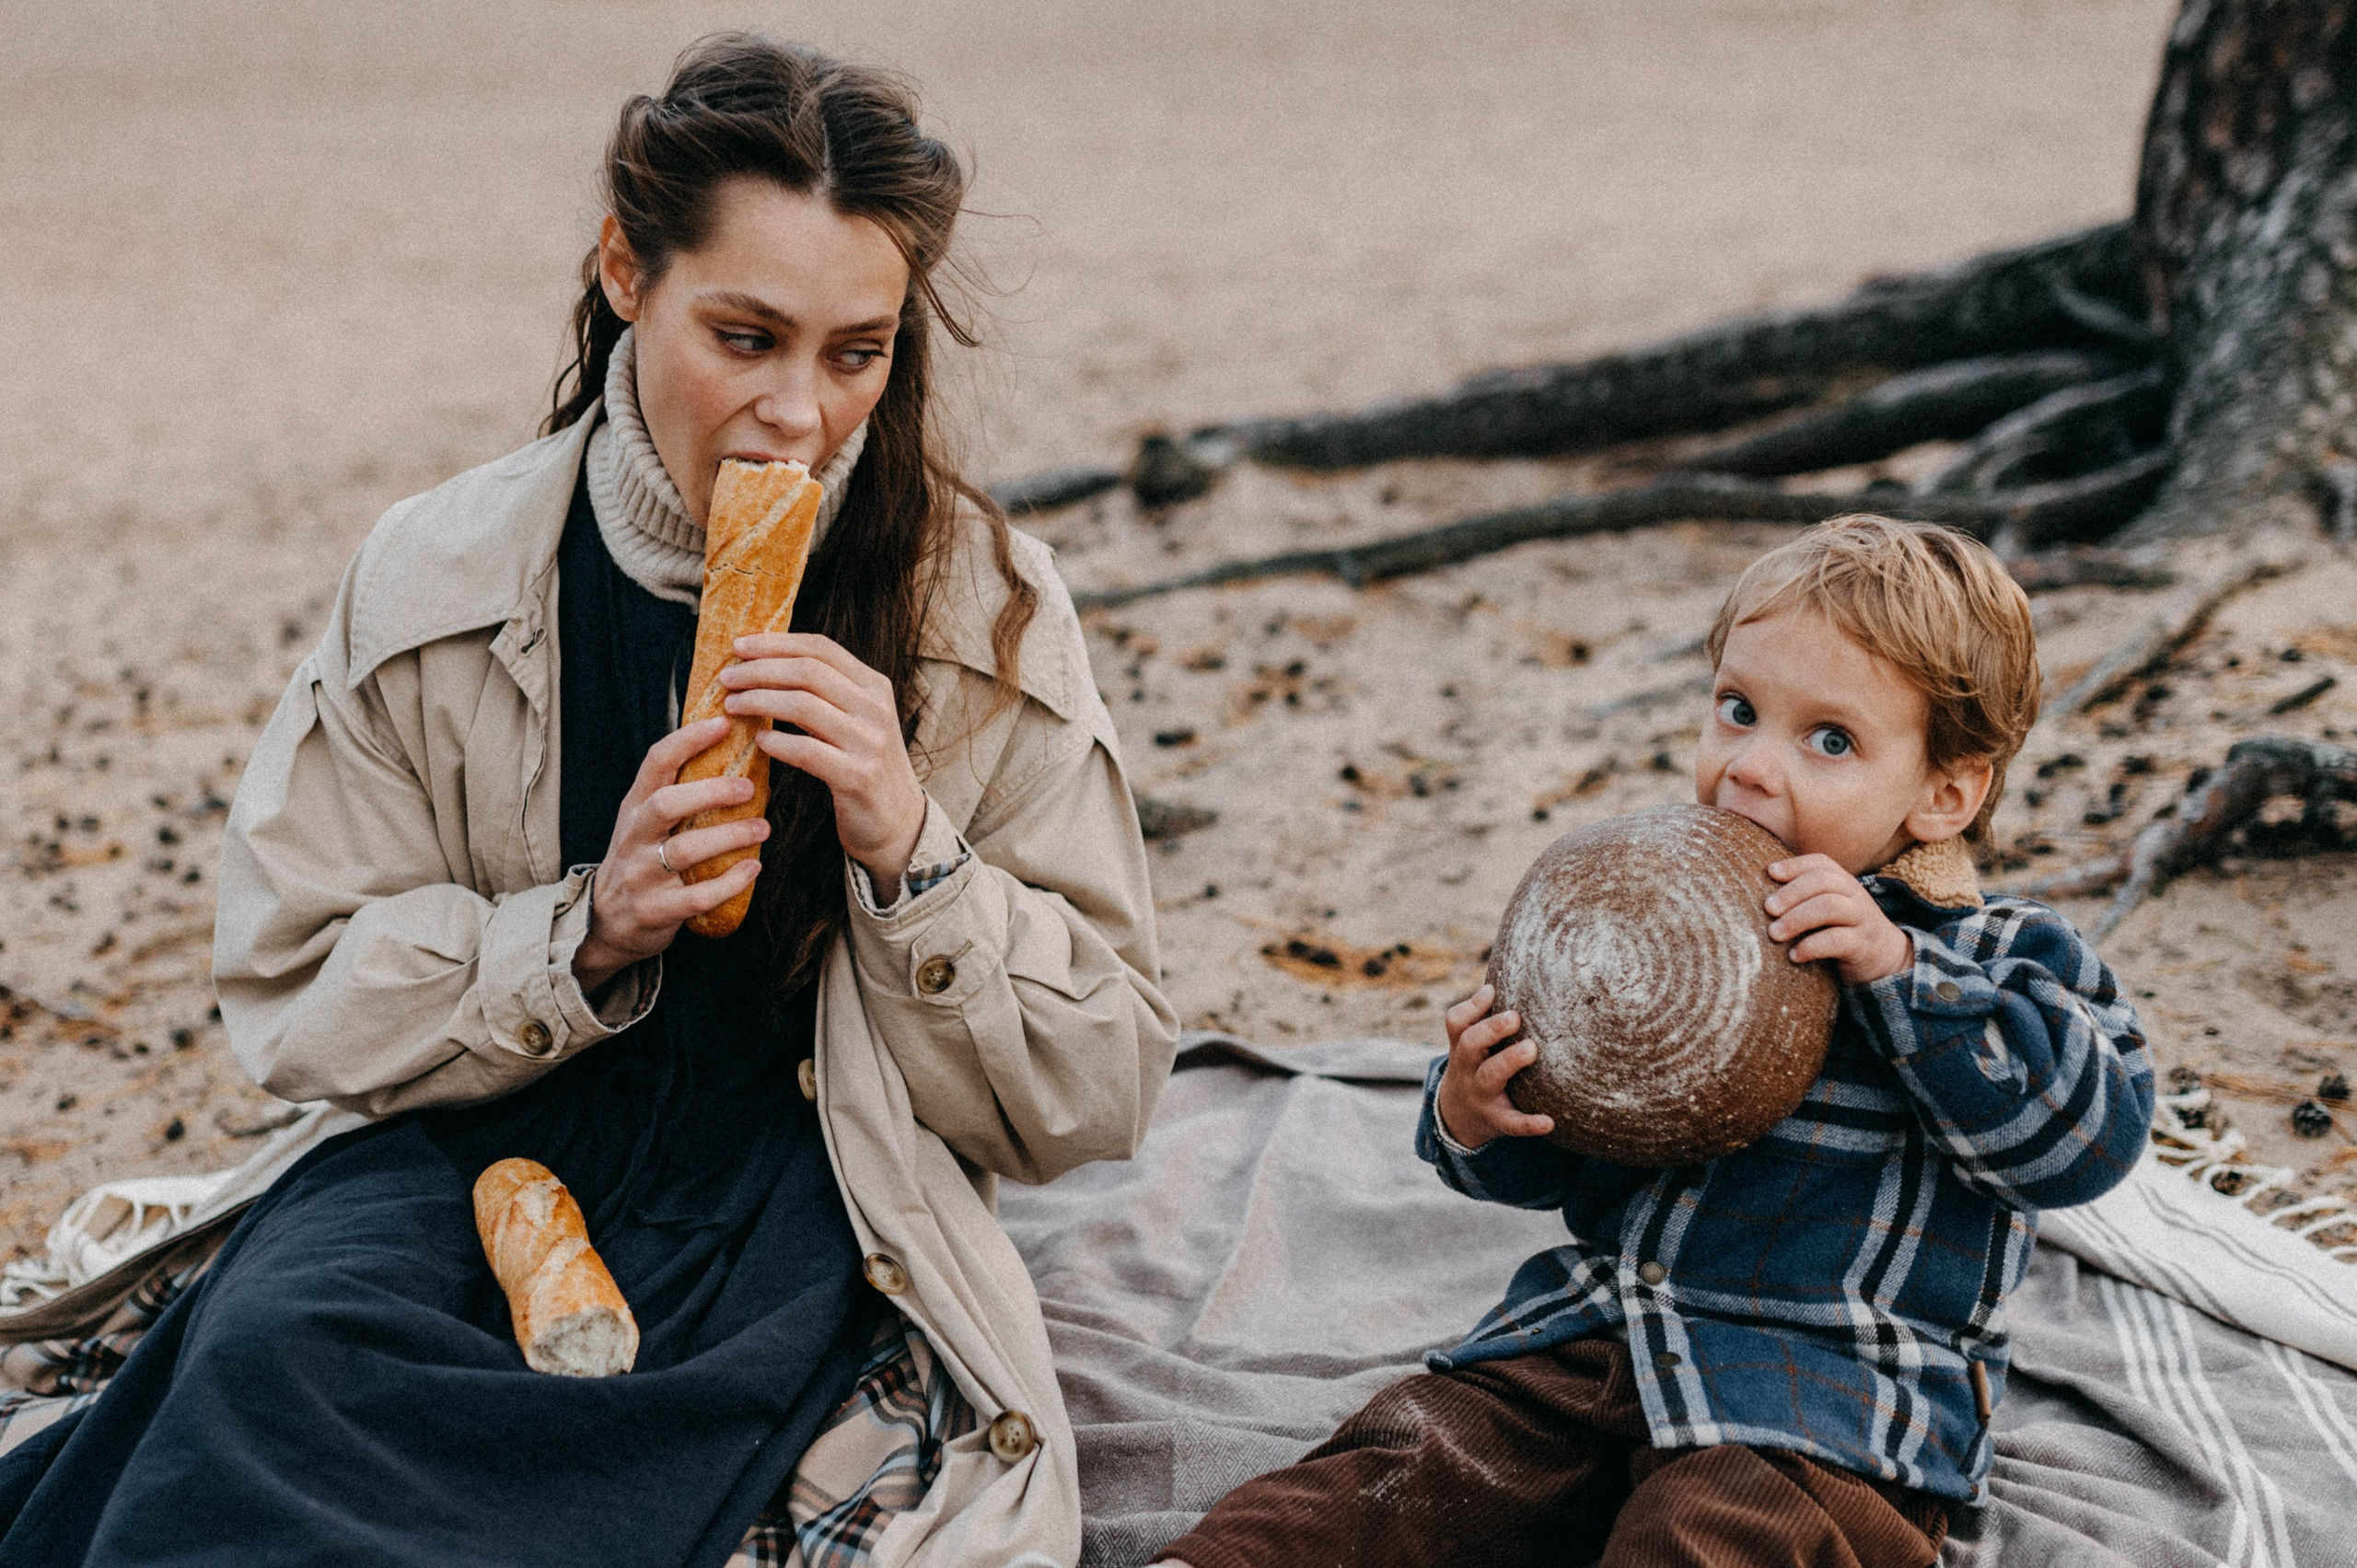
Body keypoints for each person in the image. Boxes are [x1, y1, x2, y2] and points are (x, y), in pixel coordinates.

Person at [0, 33, 1175, 1568]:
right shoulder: (435, 578)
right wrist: (583, 934)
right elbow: (292, 991)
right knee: (271, 1368)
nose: (799, 417)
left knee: (670, 1481)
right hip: (467, 1148)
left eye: (853, 351)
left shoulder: (988, 615)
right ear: (626, 272)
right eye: (744, 337)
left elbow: (1102, 1085)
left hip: (808, 1181)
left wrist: (913, 853)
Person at [1155, 515, 2154, 1568]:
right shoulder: (1653, 912)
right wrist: (1479, 1111)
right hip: (1597, 1340)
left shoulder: (2000, 953)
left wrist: (1900, 971)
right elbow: (1570, 1146)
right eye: (1738, 710)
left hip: (1822, 1404)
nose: (1752, 767)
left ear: (1946, 792)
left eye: (1829, 739)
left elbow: (2080, 1145)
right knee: (1413, 1456)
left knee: (1716, 1534)